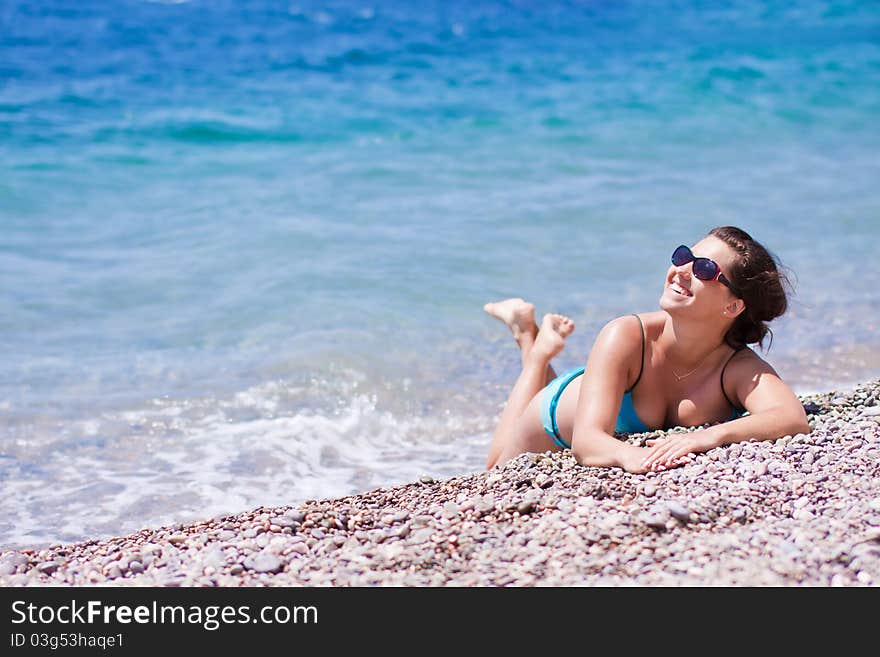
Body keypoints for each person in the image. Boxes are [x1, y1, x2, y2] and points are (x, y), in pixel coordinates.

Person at [484, 226, 810, 474]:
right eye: (684, 257)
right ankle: (534, 348)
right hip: (553, 417)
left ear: (733, 306)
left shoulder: (736, 367)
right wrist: (635, 457)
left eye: (704, 269)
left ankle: (533, 340)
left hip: (591, 392)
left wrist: (707, 437)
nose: (682, 270)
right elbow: (587, 443)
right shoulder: (626, 334)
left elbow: (790, 417)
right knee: (492, 474)